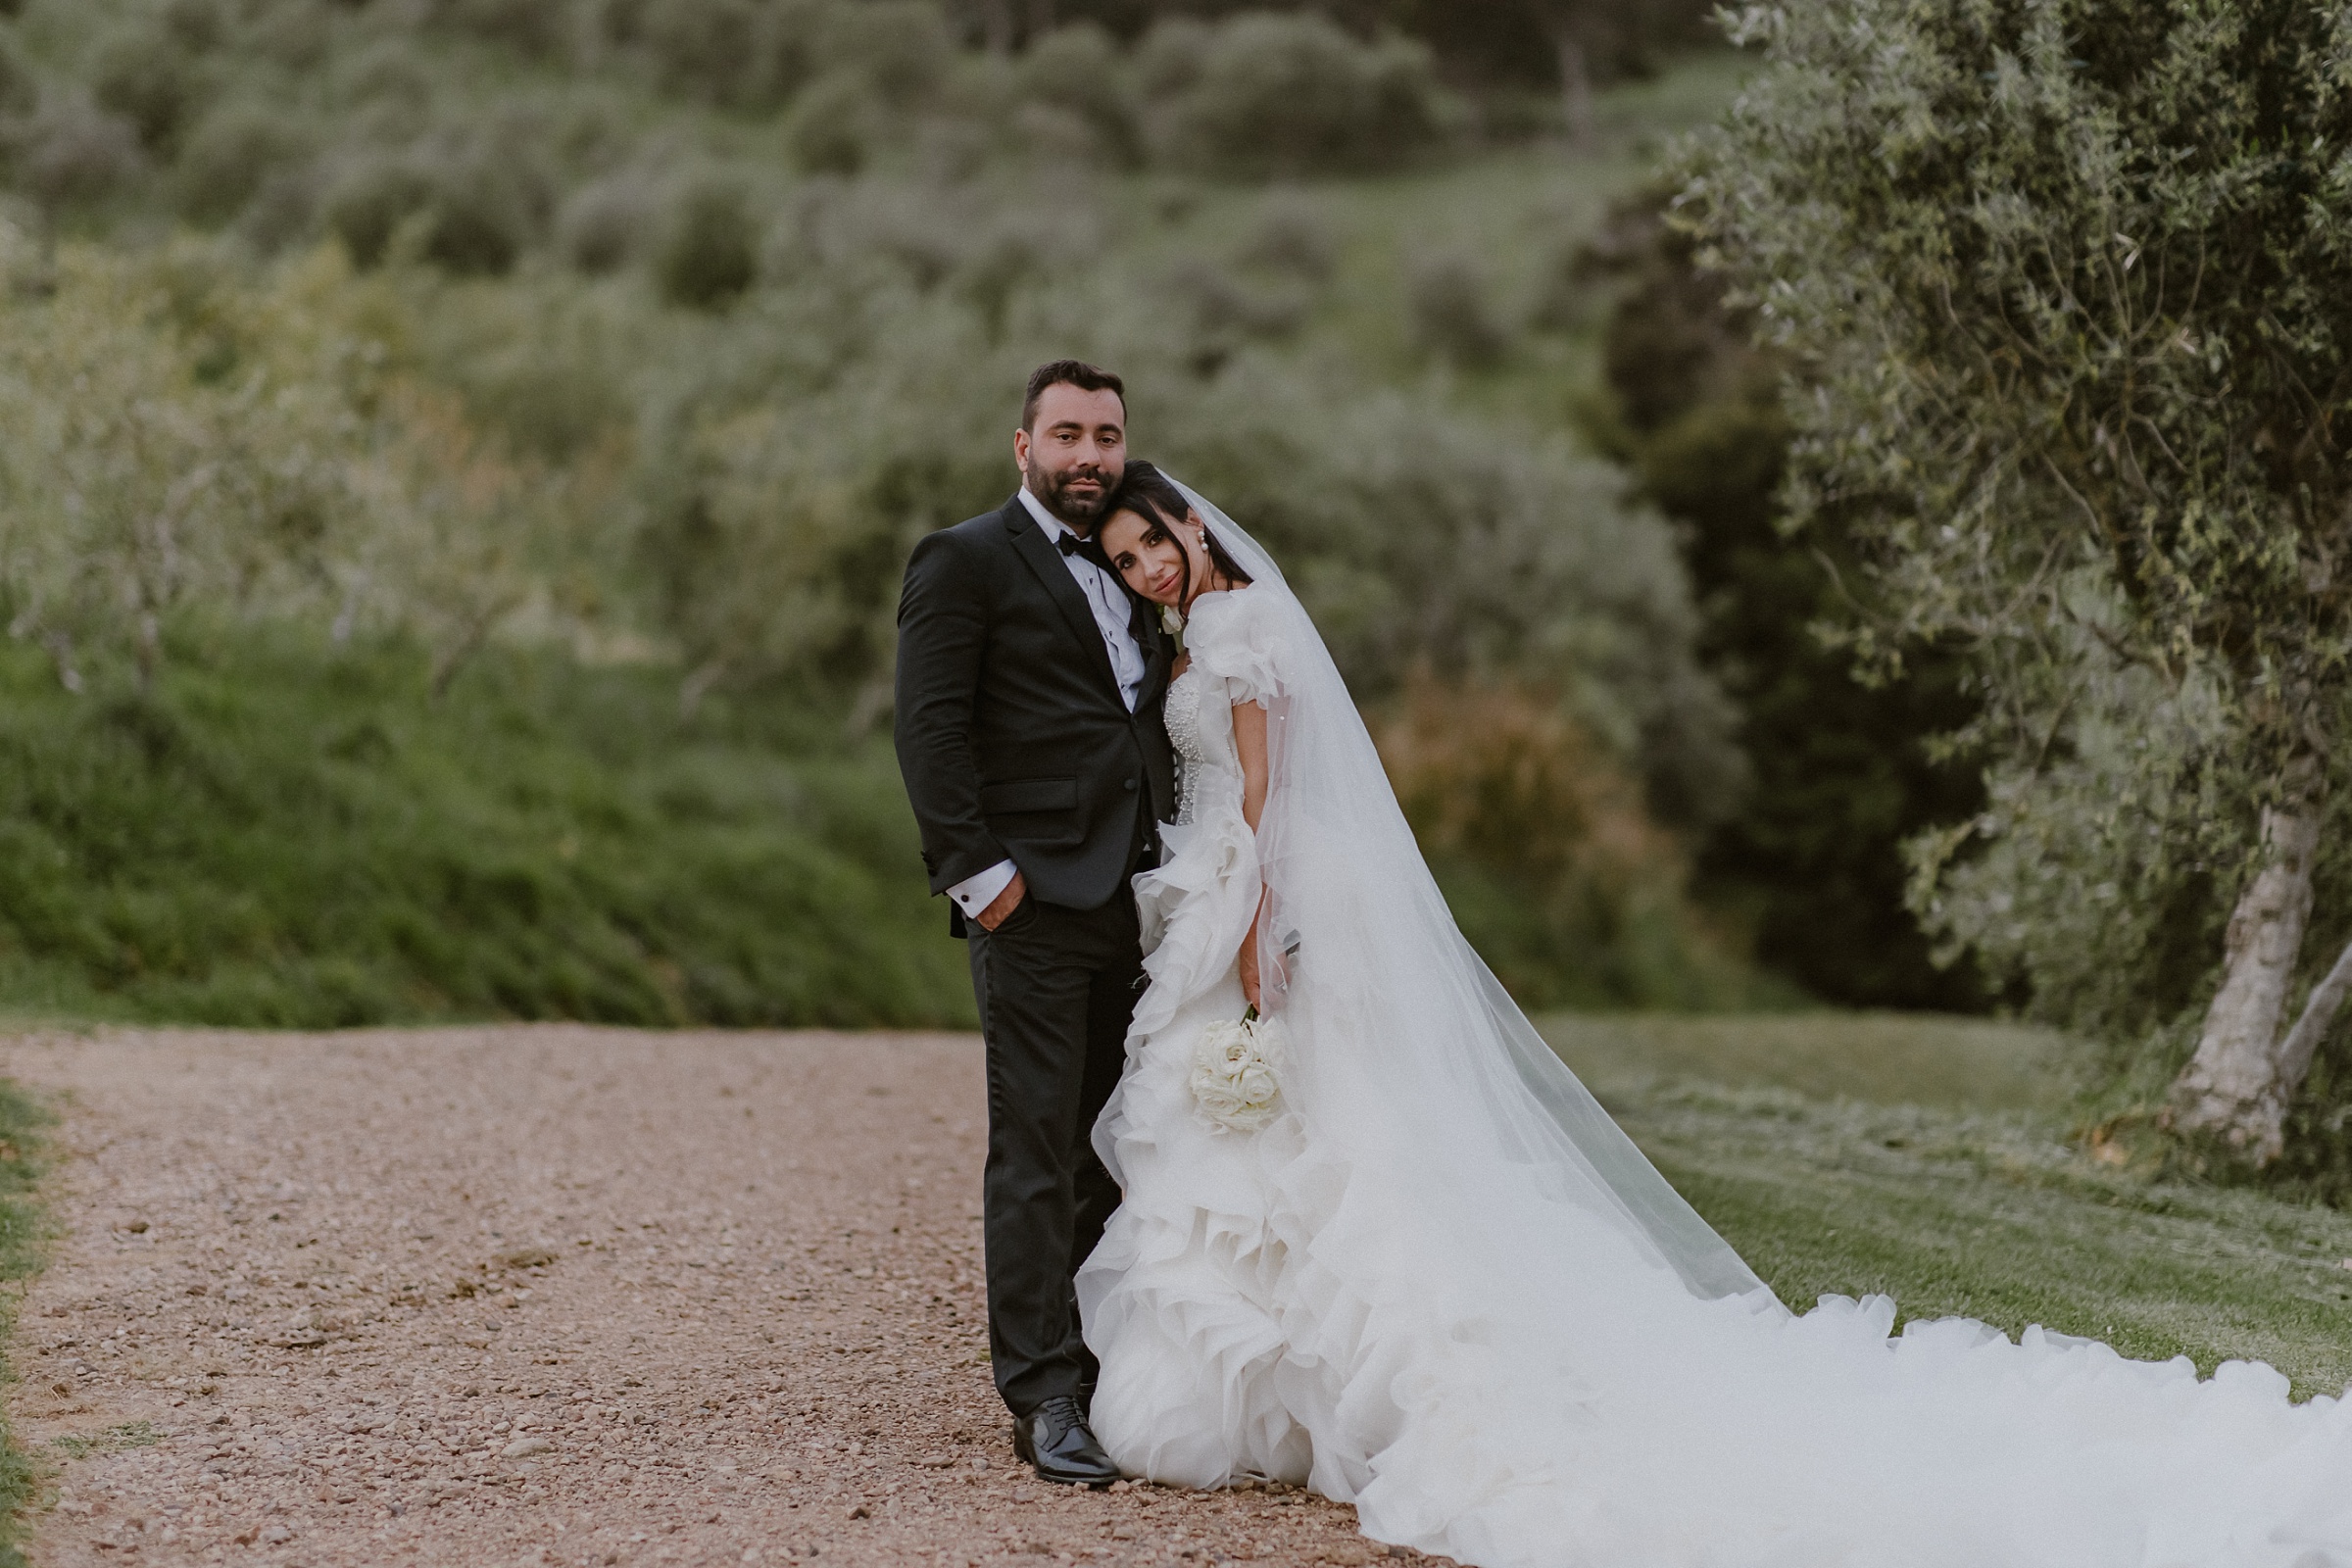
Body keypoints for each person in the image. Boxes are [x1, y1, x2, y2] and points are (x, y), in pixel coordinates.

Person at [1075, 462, 2352, 1567]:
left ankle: (1361, 1390)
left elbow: (1261, 801)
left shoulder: (1239, 633)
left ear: (1194, 525)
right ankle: (1277, 1396)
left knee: (1327, 1136)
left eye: (1156, 544)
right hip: (1234, 894)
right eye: (1128, 560)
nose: (1147, 569)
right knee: (1287, 1140)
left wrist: (1255, 941)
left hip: (1264, 897)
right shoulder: (1206, 633)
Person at [892, 361, 1174, 1488]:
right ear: (1024, 448)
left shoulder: (1135, 567)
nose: (1090, 456)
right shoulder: (962, 560)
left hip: (1145, 907)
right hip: (1035, 901)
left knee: (1116, 1147)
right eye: (1067, 434)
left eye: (1107, 435)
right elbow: (931, 729)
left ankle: (1106, 1367)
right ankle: (1043, 1394)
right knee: (1037, 1147)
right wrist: (981, 877)